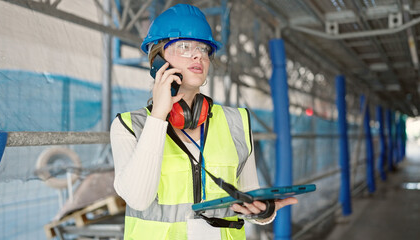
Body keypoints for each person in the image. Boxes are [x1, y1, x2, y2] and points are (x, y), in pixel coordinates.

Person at [110, 4, 298, 240]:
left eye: (203, 48)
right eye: (184, 46)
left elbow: (249, 197)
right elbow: (138, 198)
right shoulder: (128, 127)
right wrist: (158, 116)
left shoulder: (237, 122)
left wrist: (264, 213)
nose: (198, 54)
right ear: (157, 60)